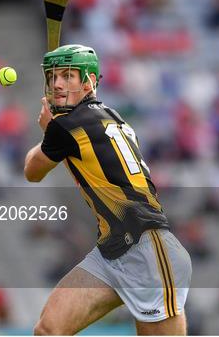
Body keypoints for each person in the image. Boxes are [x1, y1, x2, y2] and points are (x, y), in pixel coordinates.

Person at [24, 45, 192, 335]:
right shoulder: (110, 116)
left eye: (67, 76)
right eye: (53, 78)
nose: (58, 84)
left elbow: (32, 170)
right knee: (48, 330)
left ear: (89, 82)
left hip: (147, 250)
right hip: (111, 252)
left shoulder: (68, 124)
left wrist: (48, 131)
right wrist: (53, 131)